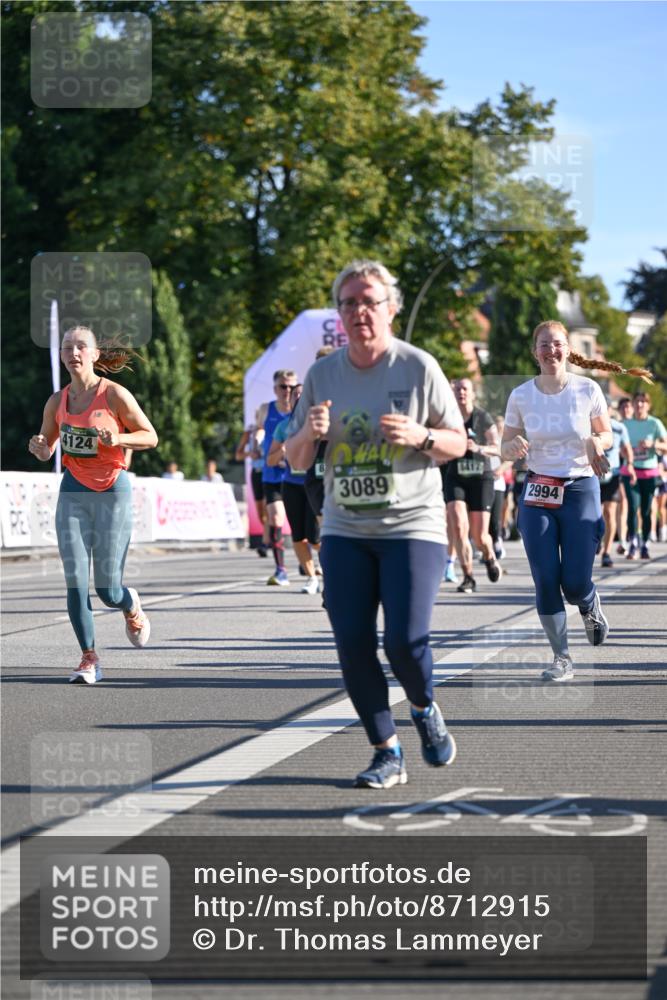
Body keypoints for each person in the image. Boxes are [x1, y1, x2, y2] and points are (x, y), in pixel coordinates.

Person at [286, 259, 467, 789]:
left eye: (369, 301)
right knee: (352, 642)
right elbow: (295, 461)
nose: (359, 311)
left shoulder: (417, 366)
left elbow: (458, 443)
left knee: (405, 643)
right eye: (349, 303)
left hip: (413, 523)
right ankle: (386, 750)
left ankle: (423, 705)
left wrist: (421, 436)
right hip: (345, 527)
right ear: (339, 314)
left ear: (390, 307)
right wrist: (310, 435)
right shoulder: (323, 374)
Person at [501, 319, 652, 682]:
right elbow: (504, 447)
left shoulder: (587, 390)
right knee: (545, 577)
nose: (551, 350)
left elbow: (607, 436)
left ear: (568, 350)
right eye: (544, 345)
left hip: (580, 486)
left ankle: (587, 602)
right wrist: (513, 447)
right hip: (538, 488)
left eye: (557, 344)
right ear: (534, 352)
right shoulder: (521, 395)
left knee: (574, 581)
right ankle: (561, 658)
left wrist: (593, 443)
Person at [28, 325, 158, 684]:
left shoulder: (114, 395)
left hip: (112, 490)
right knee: (74, 579)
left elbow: (150, 435)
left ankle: (129, 603)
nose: (73, 353)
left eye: (81, 346)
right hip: (73, 490)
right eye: (67, 347)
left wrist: (118, 436)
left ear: (95, 354)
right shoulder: (57, 401)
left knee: (107, 589)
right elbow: (48, 446)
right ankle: (89, 657)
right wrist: (41, 448)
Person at [444, 378, 502, 593]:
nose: (461, 393)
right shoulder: (448, 418)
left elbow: (497, 448)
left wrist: (478, 448)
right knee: (458, 526)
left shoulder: (482, 417)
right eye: (458, 389)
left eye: (465, 389)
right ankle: (468, 576)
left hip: (481, 477)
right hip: (456, 476)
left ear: (472, 393)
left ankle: (489, 557)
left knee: (480, 536)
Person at [267, 384, 321, 595]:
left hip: (315, 483)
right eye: (295, 394)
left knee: (315, 538)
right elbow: (270, 460)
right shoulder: (284, 426)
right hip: (291, 485)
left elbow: (329, 455)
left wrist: (320, 469)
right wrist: (283, 449)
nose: (298, 397)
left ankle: (333, 568)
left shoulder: (320, 423)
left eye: (302, 394)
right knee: (299, 537)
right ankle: (311, 578)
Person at [260, 369, 299, 585]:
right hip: (272, 473)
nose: (287, 391)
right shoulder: (266, 409)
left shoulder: (302, 410)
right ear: (275, 389)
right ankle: (281, 569)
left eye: (292, 387)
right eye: (283, 386)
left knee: (304, 527)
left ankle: (310, 563)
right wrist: (257, 441)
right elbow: (257, 429)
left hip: (298, 474)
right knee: (276, 519)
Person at [620, 391, 667, 559]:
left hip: (650, 473)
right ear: (633, 405)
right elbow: (618, 446)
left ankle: (645, 543)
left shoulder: (655, 424)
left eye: (642, 402)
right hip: (630, 472)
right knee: (632, 507)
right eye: (637, 402)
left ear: (648, 405)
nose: (639, 405)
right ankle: (632, 542)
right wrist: (626, 453)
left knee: (646, 511)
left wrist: (652, 444)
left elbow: (666, 446)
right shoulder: (626, 424)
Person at [599, 402, 634, 568]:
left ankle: (606, 553)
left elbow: (627, 448)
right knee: (594, 514)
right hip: (592, 476)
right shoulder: (588, 425)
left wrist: (631, 465)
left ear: (610, 410)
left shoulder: (619, 428)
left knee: (609, 513)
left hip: (613, 475)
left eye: (606, 408)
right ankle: (597, 539)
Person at [235, 413, 269, 557]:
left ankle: (265, 542)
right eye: (258, 417)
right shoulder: (249, 433)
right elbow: (238, 455)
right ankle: (269, 537)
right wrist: (249, 454)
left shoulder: (272, 429)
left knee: (270, 509)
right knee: (261, 512)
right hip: (256, 472)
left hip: (270, 473)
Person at [615, 397, 634, 554]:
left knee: (632, 506)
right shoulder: (615, 426)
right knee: (619, 504)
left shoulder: (639, 424)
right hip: (617, 470)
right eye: (623, 407)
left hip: (633, 469)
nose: (626, 409)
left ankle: (629, 538)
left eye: (628, 406)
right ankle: (621, 539)